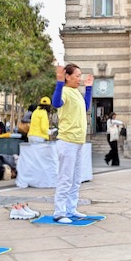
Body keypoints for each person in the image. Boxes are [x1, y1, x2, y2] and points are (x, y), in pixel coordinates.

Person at [51, 64, 93, 224]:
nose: (80, 79)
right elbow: (56, 103)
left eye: (80, 75)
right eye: (77, 75)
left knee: (76, 178)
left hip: (78, 141)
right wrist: (59, 83)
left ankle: (71, 208)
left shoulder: (76, 92)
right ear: (67, 76)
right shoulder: (65, 92)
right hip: (67, 141)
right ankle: (59, 211)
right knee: (65, 178)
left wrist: (88, 89)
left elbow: (86, 106)